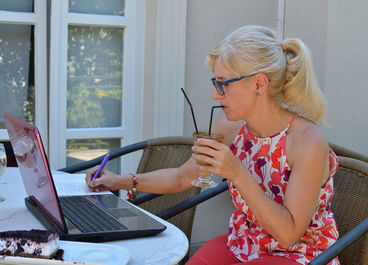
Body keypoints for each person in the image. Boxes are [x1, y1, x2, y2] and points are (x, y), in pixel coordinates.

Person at [86, 25, 339, 265]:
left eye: (222, 84)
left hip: (300, 254)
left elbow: (289, 235)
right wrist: (121, 181)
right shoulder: (229, 129)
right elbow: (181, 177)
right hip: (244, 243)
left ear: (259, 84)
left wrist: (237, 173)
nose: (215, 95)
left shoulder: (306, 141)